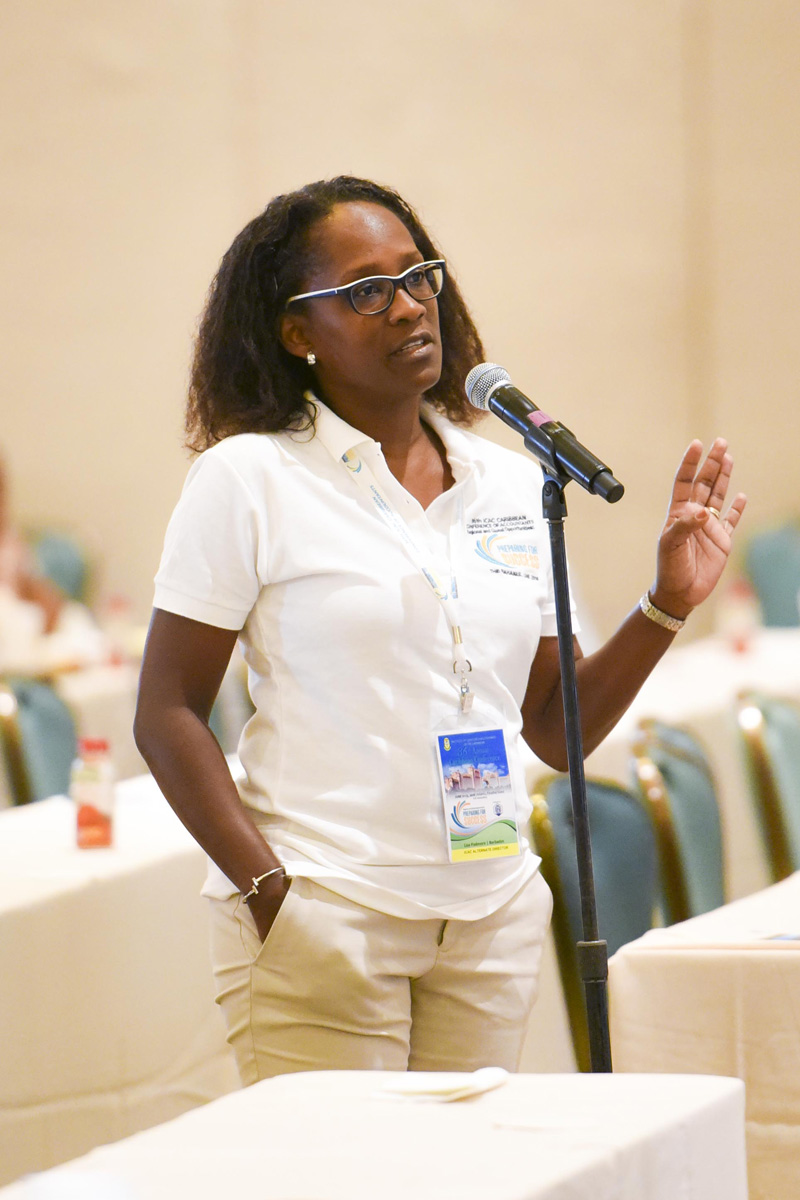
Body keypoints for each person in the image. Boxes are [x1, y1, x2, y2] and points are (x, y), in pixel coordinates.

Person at [134, 176, 747, 1084]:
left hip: (488, 916)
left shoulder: (510, 484)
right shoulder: (250, 479)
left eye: (418, 275)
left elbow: (555, 725)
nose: (408, 304)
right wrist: (272, 894)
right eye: (366, 290)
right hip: (328, 904)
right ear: (298, 333)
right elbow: (168, 711)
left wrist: (667, 604)